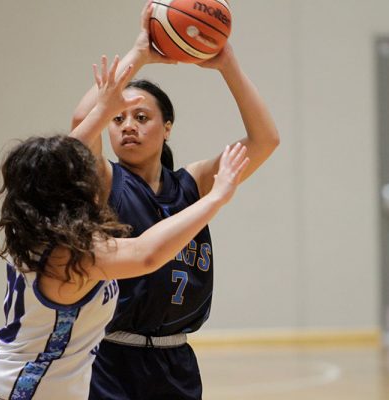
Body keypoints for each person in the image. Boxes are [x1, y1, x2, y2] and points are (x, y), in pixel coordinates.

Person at [0, 56, 249, 400]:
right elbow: (145, 254)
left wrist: (120, 83)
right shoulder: (68, 255)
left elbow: (67, 154)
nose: (85, 171)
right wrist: (215, 199)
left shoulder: (51, 233)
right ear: (62, 189)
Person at [70, 2, 280, 399]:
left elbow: (265, 140)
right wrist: (140, 53)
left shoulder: (193, 184)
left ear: (167, 128)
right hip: (111, 359)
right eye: (118, 119)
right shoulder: (105, 179)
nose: (128, 126)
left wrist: (227, 64)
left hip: (177, 361)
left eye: (142, 117)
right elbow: (82, 122)